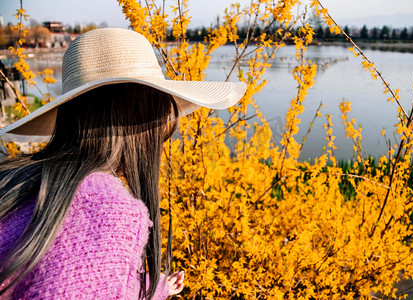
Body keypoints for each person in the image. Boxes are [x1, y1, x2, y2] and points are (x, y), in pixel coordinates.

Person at [0, 28, 246, 299]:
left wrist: (158, 286)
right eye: (162, 122)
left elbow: (100, 280)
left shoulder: (19, 179)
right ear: (143, 121)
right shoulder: (107, 211)